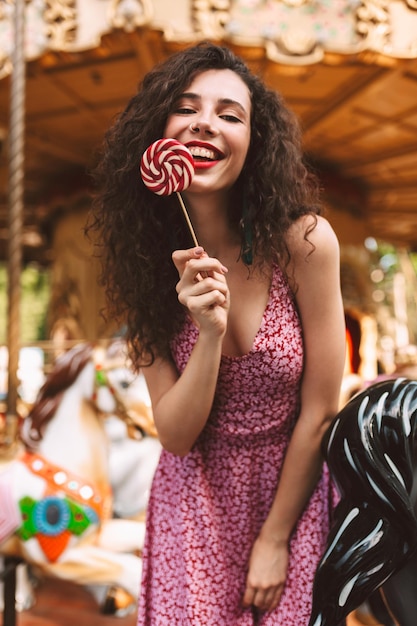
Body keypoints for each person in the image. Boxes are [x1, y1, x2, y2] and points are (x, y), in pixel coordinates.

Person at [87, 42, 346, 625]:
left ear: (253, 144)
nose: (207, 121)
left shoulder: (303, 243)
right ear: (159, 132)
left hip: (291, 495)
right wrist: (208, 332)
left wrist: (275, 539)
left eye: (231, 114)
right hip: (192, 500)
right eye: (187, 108)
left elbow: (323, 410)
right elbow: (176, 435)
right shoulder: (142, 267)